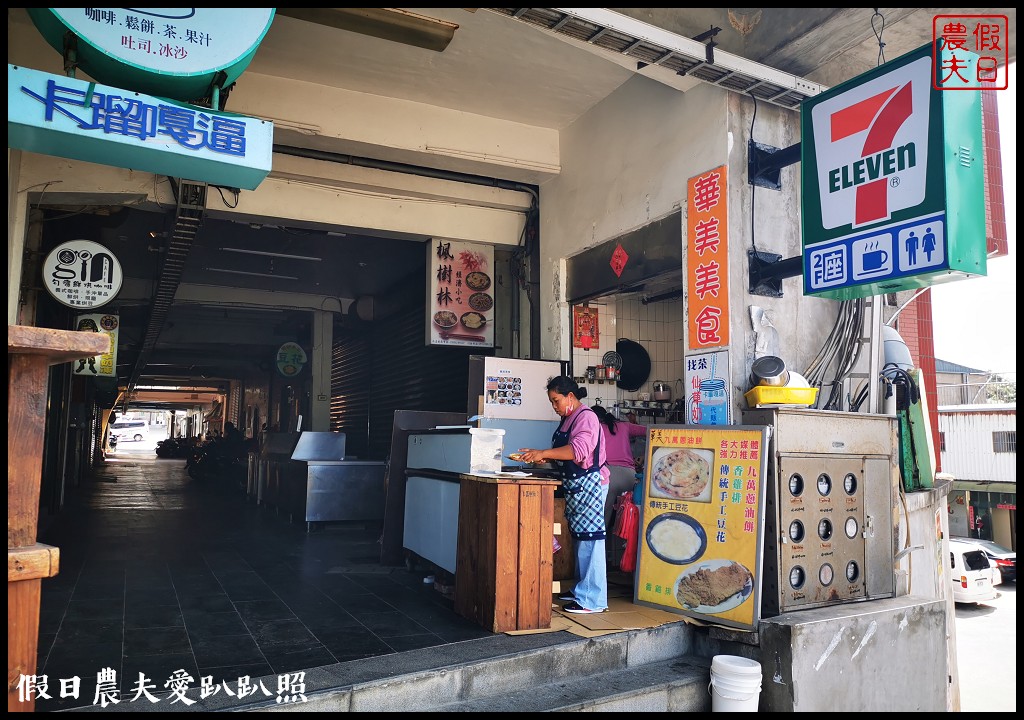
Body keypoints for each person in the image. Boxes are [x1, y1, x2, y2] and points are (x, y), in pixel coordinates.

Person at [518, 376, 609, 614]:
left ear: (570, 396)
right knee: (581, 538)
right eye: (551, 401)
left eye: (556, 400)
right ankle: (583, 589)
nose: (554, 406)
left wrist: (545, 452)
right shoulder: (568, 418)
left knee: (592, 540)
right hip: (578, 484)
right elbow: (567, 451)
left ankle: (593, 599)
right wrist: (543, 456)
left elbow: (579, 450)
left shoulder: (586, 417)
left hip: (591, 483)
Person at [592, 405, 647, 531]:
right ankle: (623, 549)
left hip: (607, 476)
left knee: (604, 518)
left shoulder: (594, 428)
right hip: (630, 477)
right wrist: (644, 456)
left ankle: (602, 548)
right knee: (626, 517)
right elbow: (649, 431)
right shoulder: (624, 426)